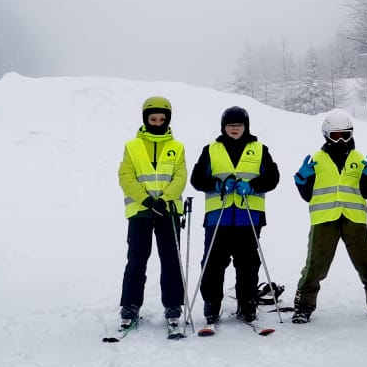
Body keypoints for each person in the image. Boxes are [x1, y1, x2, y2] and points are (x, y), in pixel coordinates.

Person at [291, 108, 367, 324]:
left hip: (354, 218)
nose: (341, 140)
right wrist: (302, 181)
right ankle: (303, 307)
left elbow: (366, 191)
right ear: (326, 135)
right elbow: (307, 195)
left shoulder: (358, 159)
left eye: (346, 134)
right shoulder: (316, 160)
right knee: (316, 264)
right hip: (324, 218)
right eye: (336, 135)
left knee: (366, 263)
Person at [188, 104, 282, 326]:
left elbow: (273, 178)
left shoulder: (260, 149)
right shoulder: (210, 150)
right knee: (213, 262)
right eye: (230, 125)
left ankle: (247, 303)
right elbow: (197, 179)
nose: (234, 129)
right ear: (223, 127)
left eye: (239, 125)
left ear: (246, 126)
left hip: (248, 216)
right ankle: (212, 303)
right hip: (217, 216)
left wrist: (252, 186)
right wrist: (218, 183)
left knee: (248, 262)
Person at [116, 94, 188, 329]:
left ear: (168, 119)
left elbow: (180, 176)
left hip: (168, 212)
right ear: (146, 119)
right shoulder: (132, 146)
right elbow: (126, 177)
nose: (157, 123)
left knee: (170, 260)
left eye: (161, 119)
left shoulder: (176, 147)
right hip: (141, 212)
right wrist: (147, 200)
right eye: (153, 118)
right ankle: (130, 304)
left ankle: (173, 304)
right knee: (136, 260)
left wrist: (165, 200)